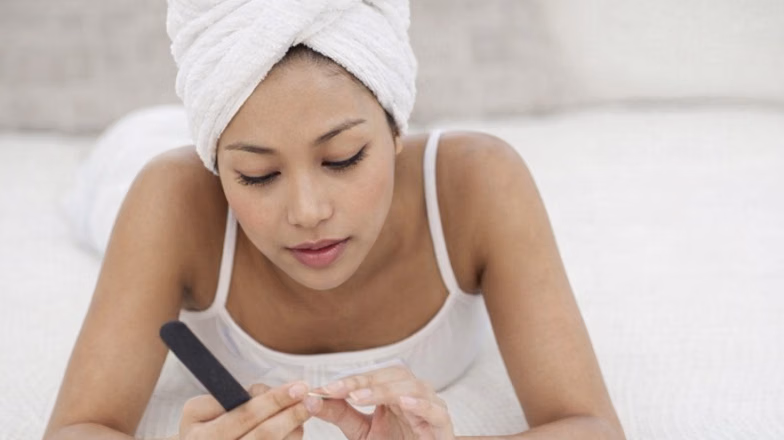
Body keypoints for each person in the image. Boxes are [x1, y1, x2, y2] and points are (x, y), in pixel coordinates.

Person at [43, 1, 625, 439]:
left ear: (397, 127)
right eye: (257, 175)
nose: (308, 213)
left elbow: (591, 425)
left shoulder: (479, 181)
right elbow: (77, 428)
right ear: (217, 168)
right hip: (139, 163)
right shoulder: (173, 198)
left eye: (343, 158)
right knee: (124, 179)